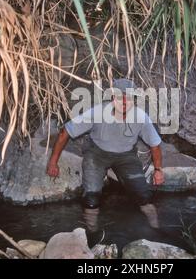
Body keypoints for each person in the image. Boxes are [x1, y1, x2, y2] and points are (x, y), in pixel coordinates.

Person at [46, 79, 164, 233]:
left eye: (128, 98)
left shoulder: (141, 117)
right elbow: (65, 132)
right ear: (113, 97)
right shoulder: (97, 112)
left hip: (126, 156)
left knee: (144, 195)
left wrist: (158, 170)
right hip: (97, 154)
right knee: (91, 199)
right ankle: (93, 233)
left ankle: (156, 229)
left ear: (134, 100)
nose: (124, 102)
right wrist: (53, 162)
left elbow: (155, 145)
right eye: (120, 97)